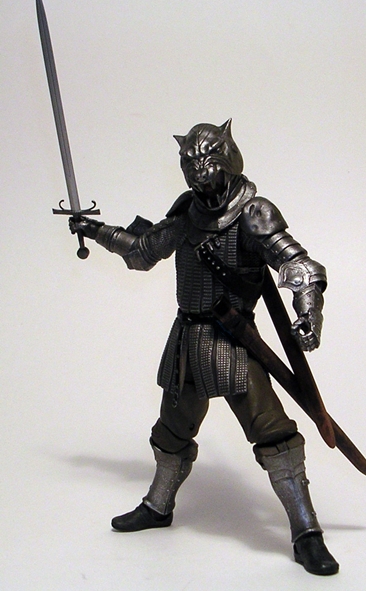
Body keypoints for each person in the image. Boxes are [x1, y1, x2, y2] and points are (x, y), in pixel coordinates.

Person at [70, 120, 339, 575]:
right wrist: (96, 230)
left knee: (274, 434)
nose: (198, 172)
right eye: (190, 164)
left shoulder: (254, 213)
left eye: (206, 161)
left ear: (227, 159)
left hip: (235, 343)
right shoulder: (187, 213)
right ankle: (158, 505)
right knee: (171, 431)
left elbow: (299, 266)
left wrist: (310, 313)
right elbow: (144, 250)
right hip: (186, 342)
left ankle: (306, 530)